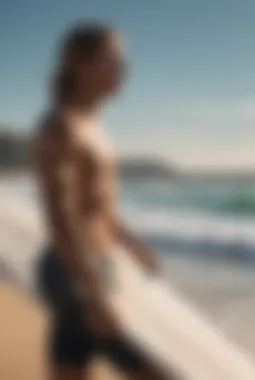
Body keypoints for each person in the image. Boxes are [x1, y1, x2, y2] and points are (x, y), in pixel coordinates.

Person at [32, 22, 175, 380]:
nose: (123, 69)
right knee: (160, 372)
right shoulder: (60, 127)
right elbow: (60, 217)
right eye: (113, 59)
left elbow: (99, 207)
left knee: (70, 366)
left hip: (94, 265)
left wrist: (133, 245)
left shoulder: (93, 126)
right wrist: (94, 295)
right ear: (77, 63)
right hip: (77, 272)